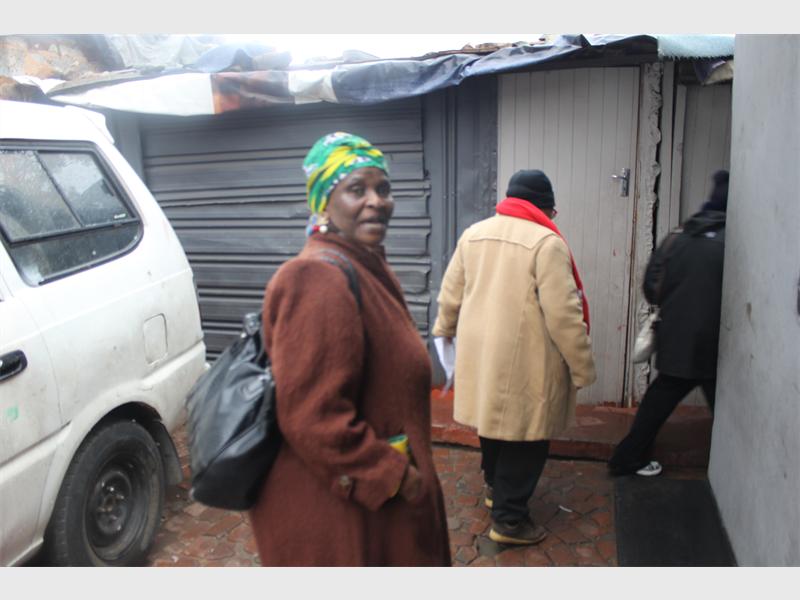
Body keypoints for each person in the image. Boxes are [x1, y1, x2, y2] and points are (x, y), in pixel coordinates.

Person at [249, 132, 451, 566]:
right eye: (356, 189)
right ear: (324, 202)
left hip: (376, 512)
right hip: (348, 522)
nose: (377, 201)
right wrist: (396, 477)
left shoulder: (365, 264)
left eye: (383, 188)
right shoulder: (317, 278)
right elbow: (312, 416)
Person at [432, 169, 596, 546]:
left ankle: (495, 489)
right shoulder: (546, 243)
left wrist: (445, 332)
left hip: (483, 353)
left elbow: (450, 294)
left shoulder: (473, 234)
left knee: (493, 423)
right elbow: (564, 315)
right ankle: (509, 522)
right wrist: (582, 367)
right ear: (545, 208)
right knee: (527, 436)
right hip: (526, 359)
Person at [609, 170, 729, 477]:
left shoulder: (679, 236)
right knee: (729, 413)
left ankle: (626, 458)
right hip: (719, 343)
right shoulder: (734, 242)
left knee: (658, 401)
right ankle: (737, 473)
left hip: (677, 336)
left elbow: (651, 286)